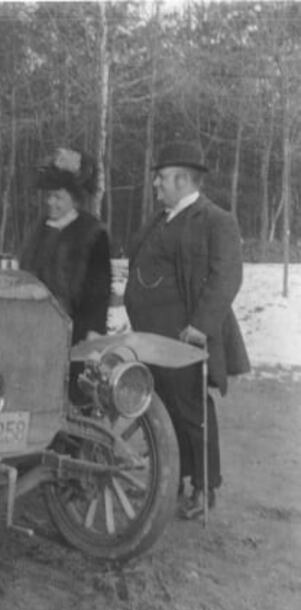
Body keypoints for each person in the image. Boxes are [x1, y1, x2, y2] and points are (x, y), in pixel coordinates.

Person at [124, 141, 250, 520]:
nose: (156, 185)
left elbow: (226, 277)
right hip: (151, 338)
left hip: (184, 338)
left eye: (161, 178)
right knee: (161, 408)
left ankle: (203, 487)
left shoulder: (215, 219)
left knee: (190, 410)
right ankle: (172, 478)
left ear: (182, 179)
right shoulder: (159, 218)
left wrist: (200, 327)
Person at [18, 147, 111, 404]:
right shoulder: (38, 229)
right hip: (35, 328)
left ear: (75, 199)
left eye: (58, 197)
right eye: (48, 197)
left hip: (75, 331)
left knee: (71, 397)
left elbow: (99, 290)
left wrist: (93, 333)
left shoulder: (92, 233)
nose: (51, 203)